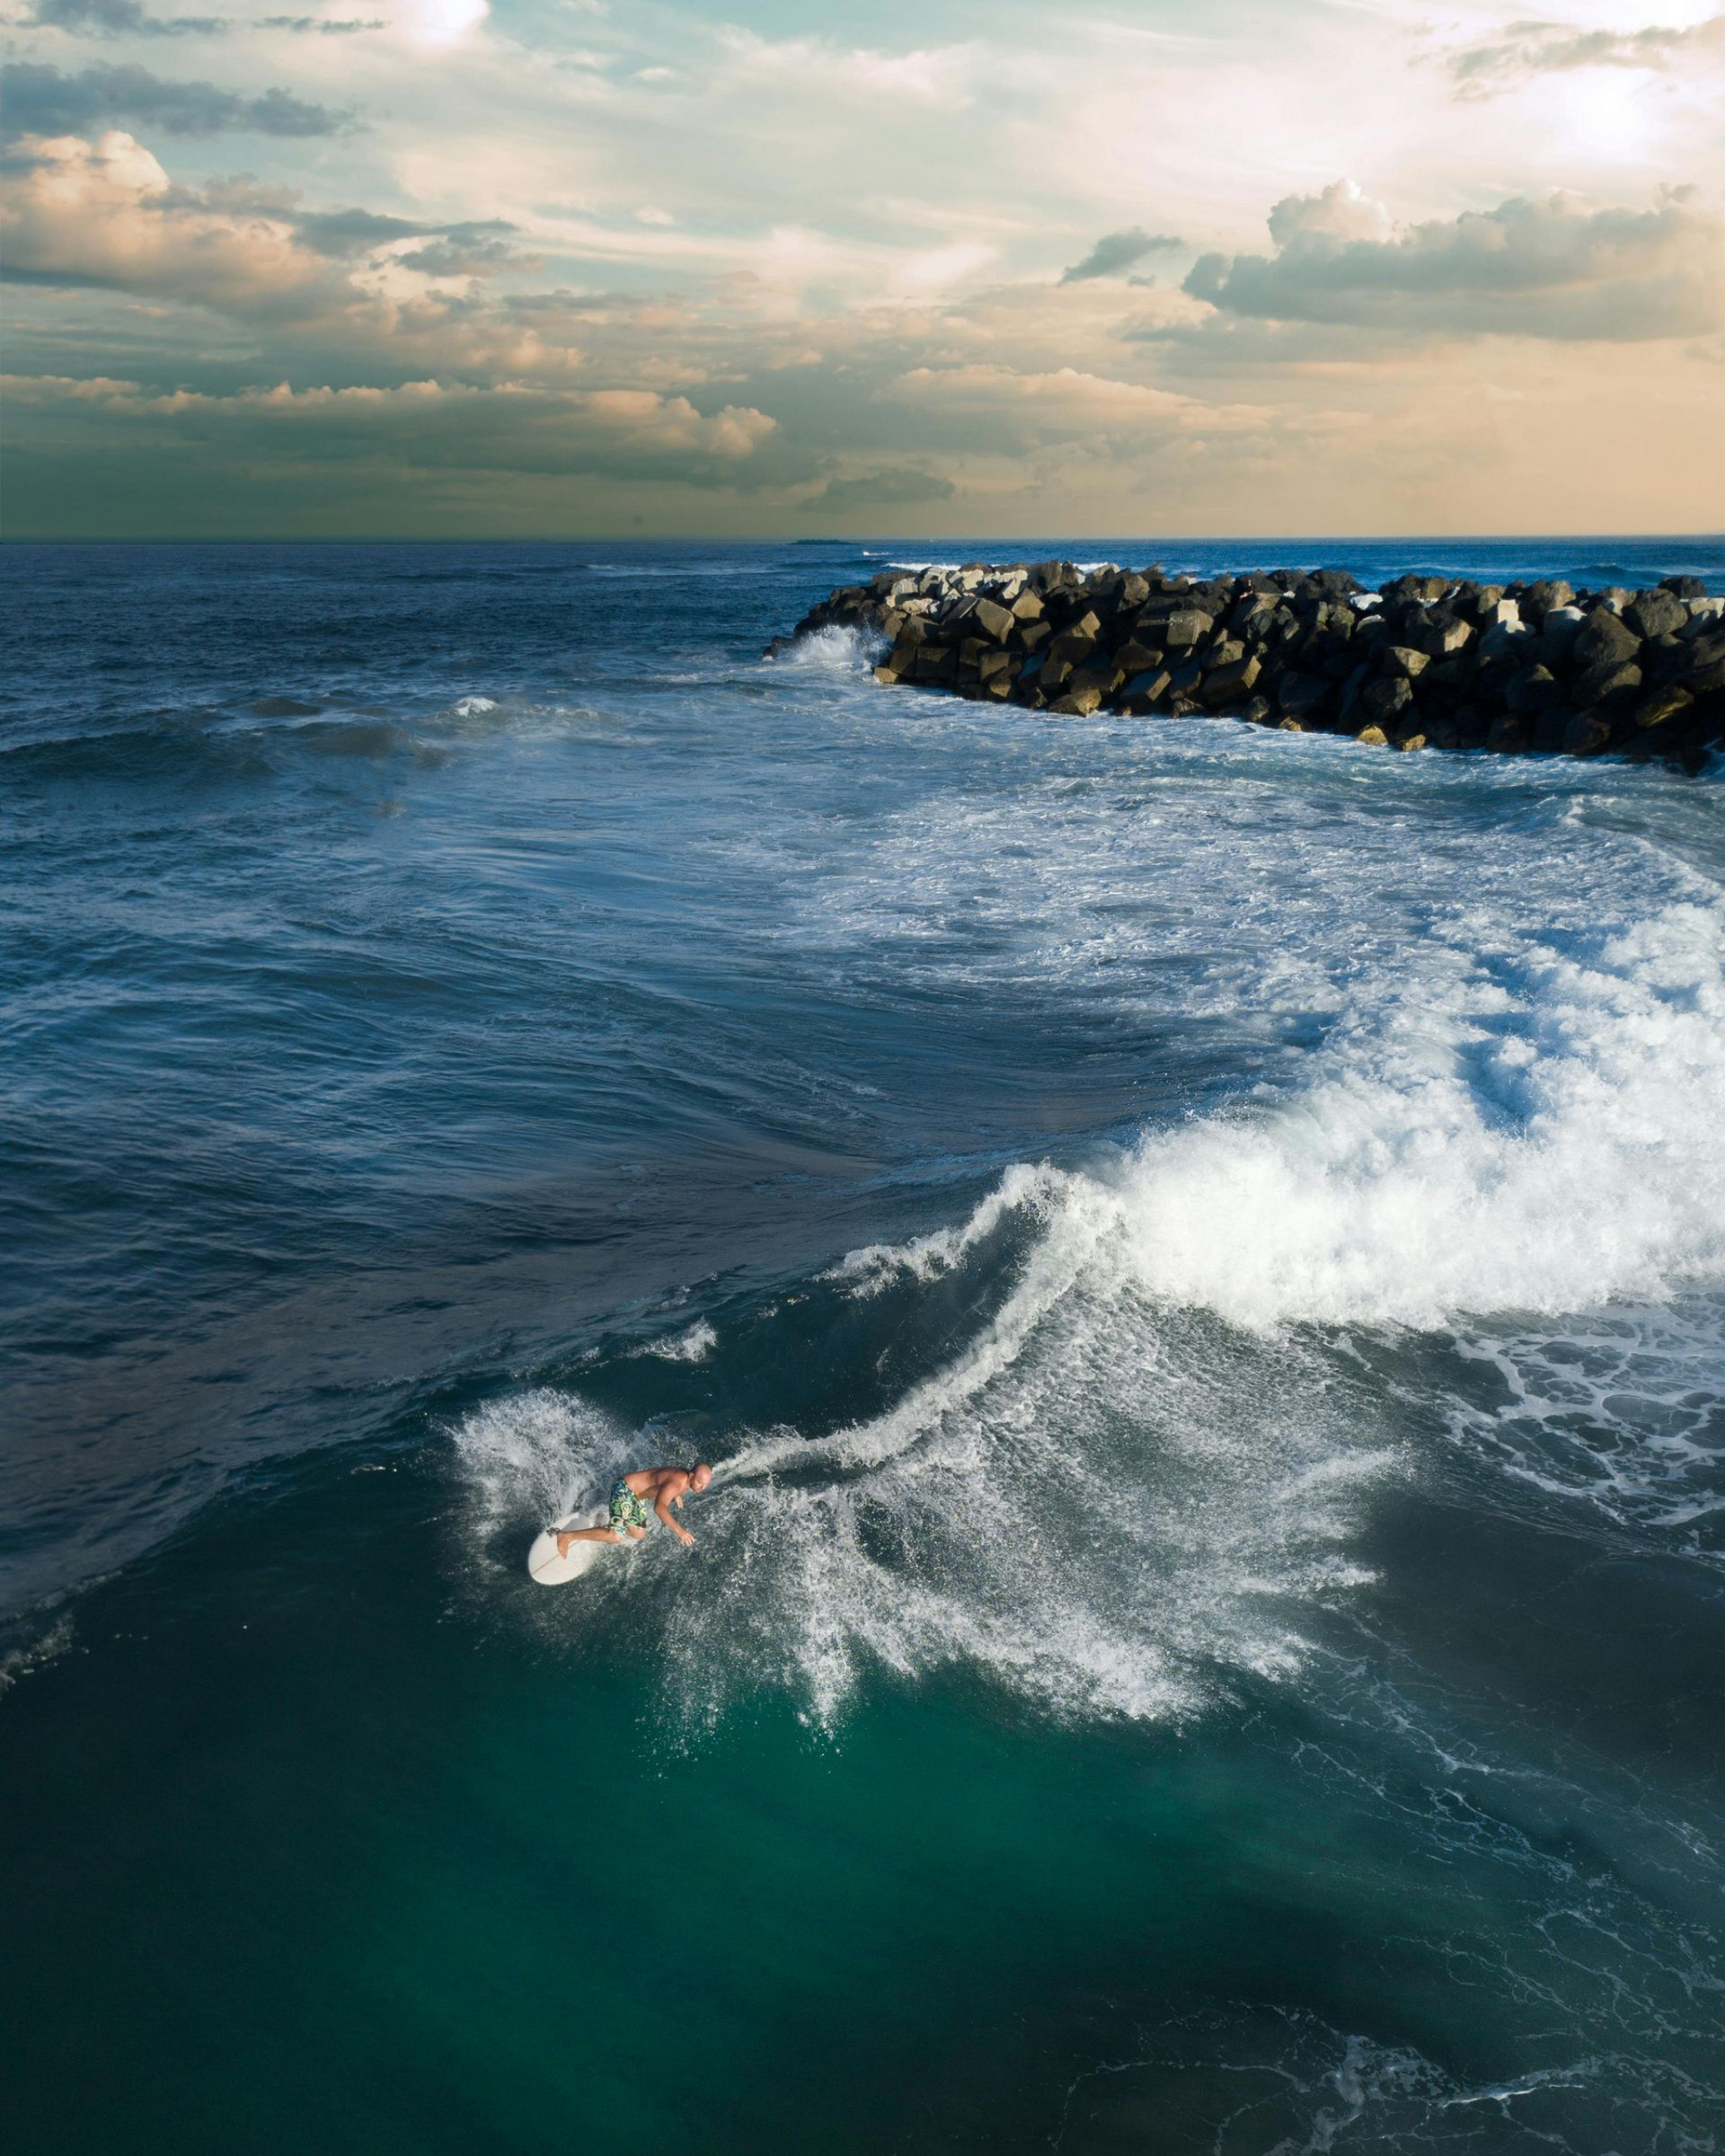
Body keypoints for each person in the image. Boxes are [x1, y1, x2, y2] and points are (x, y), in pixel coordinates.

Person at [555, 1462, 712, 1559]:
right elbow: (659, 1507)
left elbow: (667, 1483)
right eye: (700, 1483)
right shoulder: (677, 1484)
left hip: (637, 1498)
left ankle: (607, 1521)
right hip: (626, 1489)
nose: (702, 1487)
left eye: (705, 1484)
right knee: (615, 1536)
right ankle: (566, 1536)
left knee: (639, 1534)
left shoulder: (685, 1480)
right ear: (691, 1476)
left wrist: (676, 1495)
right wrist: (679, 1530)